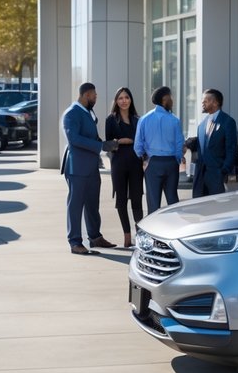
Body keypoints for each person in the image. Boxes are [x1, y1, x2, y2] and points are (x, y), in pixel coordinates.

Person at [61, 82, 118, 255]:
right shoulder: (71, 113)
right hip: (77, 167)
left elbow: (90, 136)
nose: (96, 98)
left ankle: (95, 237)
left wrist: (105, 144)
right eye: (94, 95)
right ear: (86, 95)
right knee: (76, 205)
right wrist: (101, 146)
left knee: (93, 204)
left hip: (92, 167)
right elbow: (74, 140)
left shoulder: (87, 112)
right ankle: (75, 242)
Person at [134, 85, 185, 214]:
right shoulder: (174, 120)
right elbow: (179, 143)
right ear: (165, 99)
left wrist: (144, 159)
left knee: (153, 203)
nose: (172, 100)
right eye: (170, 97)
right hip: (171, 162)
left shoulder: (144, 119)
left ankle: (153, 232)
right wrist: (177, 159)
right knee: (173, 200)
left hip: (153, 163)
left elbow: (138, 145)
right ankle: (175, 231)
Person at [105, 86, 144, 248]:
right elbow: (107, 145)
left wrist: (133, 142)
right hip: (119, 163)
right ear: (116, 101)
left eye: (126, 97)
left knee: (137, 199)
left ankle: (140, 236)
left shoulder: (138, 119)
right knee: (121, 200)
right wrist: (120, 142)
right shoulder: (111, 119)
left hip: (136, 163)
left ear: (131, 100)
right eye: (120, 98)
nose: (124, 101)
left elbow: (142, 142)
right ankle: (127, 236)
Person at [189, 88, 238, 198]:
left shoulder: (228, 122)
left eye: (205, 100)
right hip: (200, 179)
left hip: (217, 177)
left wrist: (223, 171)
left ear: (215, 102)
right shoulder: (201, 125)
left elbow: (232, 149)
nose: (202, 103)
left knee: (218, 211)